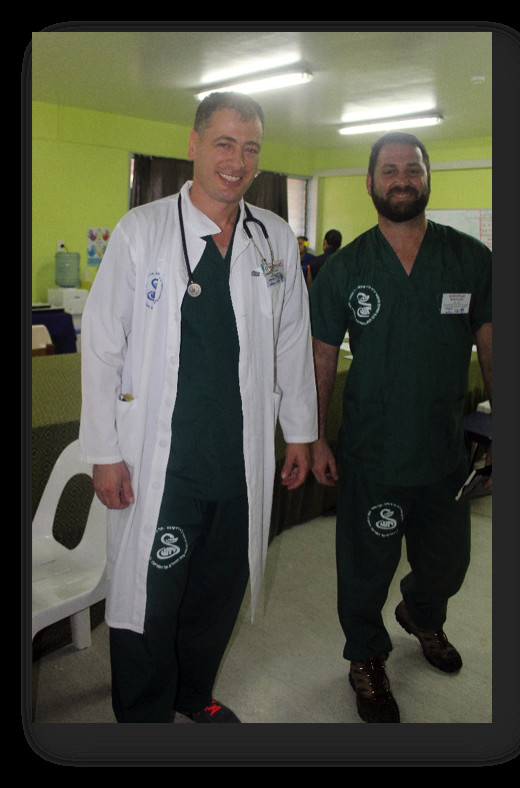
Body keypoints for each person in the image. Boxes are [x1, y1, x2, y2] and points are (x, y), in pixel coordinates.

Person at [79, 92, 317, 724]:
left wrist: (299, 432)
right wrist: (102, 453)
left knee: (217, 592)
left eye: (250, 148)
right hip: (164, 466)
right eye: (223, 143)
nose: (236, 160)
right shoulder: (143, 231)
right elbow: (100, 347)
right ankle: (145, 716)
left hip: (239, 462)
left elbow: (291, 337)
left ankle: (193, 695)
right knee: (150, 601)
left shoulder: (272, 239)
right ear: (193, 144)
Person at [309, 131, 492, 724]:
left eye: (412, 168)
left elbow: (494, 341)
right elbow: (321, 356)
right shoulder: (345, 269)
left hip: (444, 453)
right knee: (364, 570)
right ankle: (365, 657)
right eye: (389, 170)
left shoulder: (469, 259)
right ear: (370, 183)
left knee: (449, 564)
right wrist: (314, 436)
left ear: (427, 178)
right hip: (373, 451)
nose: (402, 178)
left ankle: (420, 612)